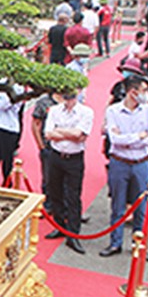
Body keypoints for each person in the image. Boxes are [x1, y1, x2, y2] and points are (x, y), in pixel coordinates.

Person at [102, 76, 148, 257]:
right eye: (144, 90)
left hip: (141, 164)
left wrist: (128, 138)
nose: (147, 95)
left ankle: (139, 244)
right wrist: (138, 137)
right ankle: (115, 243)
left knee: (141, 207)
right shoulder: (113, 111)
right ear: (133, 92)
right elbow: (115, 140)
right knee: (117, 206)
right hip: (119, 162)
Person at [44, 91, 93, 256]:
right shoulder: (55, 110)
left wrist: (60, 132)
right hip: (56, 156)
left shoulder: (86, 112)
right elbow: (48, 134)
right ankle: (59, 226)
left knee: (73, 196)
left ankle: (73, 233)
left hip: (74, 159)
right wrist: (69, 133)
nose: (69, 98)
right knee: (54, 191)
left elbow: (79, 135)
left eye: (72, 95)